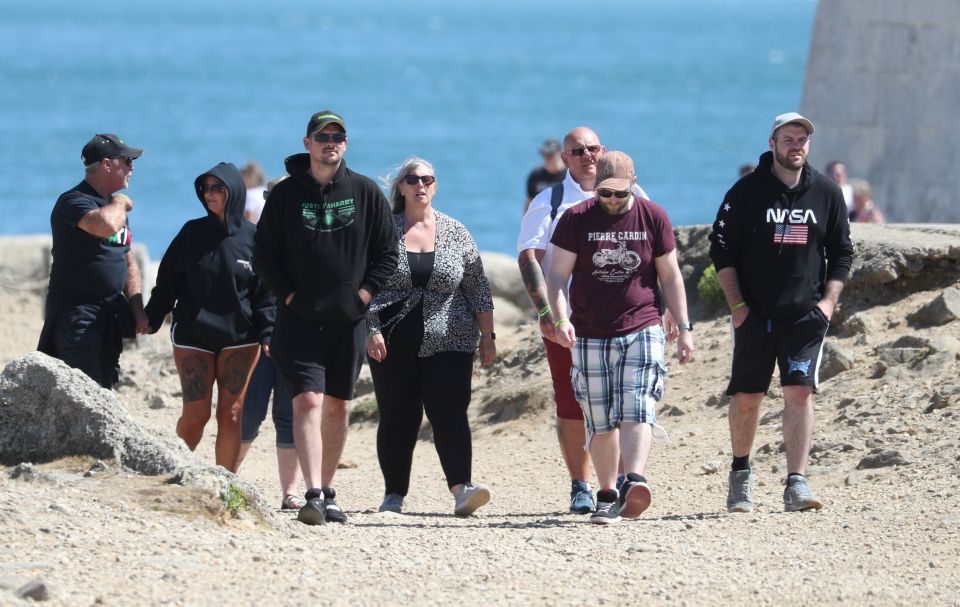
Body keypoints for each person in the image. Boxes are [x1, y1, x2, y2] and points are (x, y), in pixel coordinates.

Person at [254, 110, 399, 525]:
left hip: (349, 320)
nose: (330, 142)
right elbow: (263, 254)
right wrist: (289, 294)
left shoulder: (366, 192)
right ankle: (312, 491)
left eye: (337, 136)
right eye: (322, 136)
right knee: (308, 400)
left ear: (345, 144)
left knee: (338, 408)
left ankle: (329, 490)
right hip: (298, 320)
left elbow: (388, 251)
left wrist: (365, 294)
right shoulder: (284, 196)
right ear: (308, 144)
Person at [708, 112, 854, 513]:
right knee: (748, 397)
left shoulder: (826, 192)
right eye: (789, 139)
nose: (797, 146)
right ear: (772, 143)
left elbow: (842, 252)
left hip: (805, 316)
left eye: (803, 140)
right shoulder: (746, 191)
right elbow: (721, 250)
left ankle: (797, 483)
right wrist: (737, 308)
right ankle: (740, 475)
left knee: (799, 392)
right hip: (754, 316)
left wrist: (827, 305)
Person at [516, 126, 661, 515]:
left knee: (624, 400)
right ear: (564, 159)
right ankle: (581, 484)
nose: (587, 156)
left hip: (626, 319)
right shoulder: (551, 201)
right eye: (577, 151)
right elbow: (530, 256)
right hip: (569, 320)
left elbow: (652, 250)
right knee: (572, 403)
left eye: (593, 148)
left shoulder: (636, 195)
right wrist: (546, 313)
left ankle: (616, 485)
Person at [546, 151, 694, 525]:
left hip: (642, 326)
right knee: (599, 419)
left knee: (638, 404)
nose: (612, 201)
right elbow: (557, 276)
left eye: (619, 194)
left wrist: (684, 324)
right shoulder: (575, 218)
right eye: (605, 194)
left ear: (633, 183)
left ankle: (634, 479)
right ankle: (608, 493)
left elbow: (670, 275)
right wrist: (560, 319)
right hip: (590, 333)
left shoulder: (652, 215)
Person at [367, 158, 495, 517]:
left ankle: (461, 489)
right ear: (402, 187)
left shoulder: (456, 231)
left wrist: (488, 336)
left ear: (435, 186)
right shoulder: (382, 230)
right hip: (391, 340)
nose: (420, 184)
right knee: (398, 416)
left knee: (450, 411)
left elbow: (477, 287)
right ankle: (394, 494)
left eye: (427, 179)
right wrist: (371, 329)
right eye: (413, 179)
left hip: (451, 338)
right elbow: (364, 285)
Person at [144, 162, 273, 473]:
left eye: (218, 188)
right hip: (193, 335)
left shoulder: (255, 239)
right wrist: (150, 317)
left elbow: (266, 295)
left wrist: (269, 332)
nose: (210, 194)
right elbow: (167, 284)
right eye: (206, 188)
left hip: (240, 339)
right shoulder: (191, 233)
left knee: (231, 414)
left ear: (235, 192)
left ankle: (224, 485)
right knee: (196, 414)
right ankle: (173, 473)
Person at [38, 133, 150, 388]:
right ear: (106, 165)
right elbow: (105, 225)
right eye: (127, 161)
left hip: (109, 314)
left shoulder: (113, 208)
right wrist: (120, 202)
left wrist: (137, 308)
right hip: (77, 313)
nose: (132, 168)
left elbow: (128, 260)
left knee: (105, 387)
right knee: (85, 390)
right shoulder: (73, 201)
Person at [236, 175, 304, 510]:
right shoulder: (254, 237)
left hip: (294, 339)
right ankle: (227, 477)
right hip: (255, 340)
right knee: (249, 413)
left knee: (288, 416)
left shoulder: (311, 241)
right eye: (272, 195)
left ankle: (290, 492)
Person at [524, 139, 566, 213]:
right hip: (541, 221)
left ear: (560, 154)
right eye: (544, 154)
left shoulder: (569, 175)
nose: (547, 158)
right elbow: (529, 201)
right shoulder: (535, 175)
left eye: (550, 155)